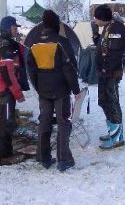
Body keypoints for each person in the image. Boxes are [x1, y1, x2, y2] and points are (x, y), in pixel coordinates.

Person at [27, 10, 81, 171]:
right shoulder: (61, 42)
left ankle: (43, 157)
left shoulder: (34, 43)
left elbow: (31, 69)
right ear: (56, 24)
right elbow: (70, 68)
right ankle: (63, 160)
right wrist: (76, 89)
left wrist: (38, 87)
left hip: (43, 90)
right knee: (63, 122)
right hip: (61, 90)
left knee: (44, 122)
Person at [0, 16, 29, 161]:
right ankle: (3, 154)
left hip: (5, 88)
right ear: (7, 27)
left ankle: (5, 151)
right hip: (6, 89)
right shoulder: (5, 45)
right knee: (6, 120)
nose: (16, 29)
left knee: (7, 120)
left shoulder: (0, 42)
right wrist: (17, 93)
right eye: (14, 26)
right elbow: (7, 73)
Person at [92, 5, 125, 150]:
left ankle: (117, 138)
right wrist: (96, 37)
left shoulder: (116, 29)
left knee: (112, 103)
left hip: (111, 74)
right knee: (104, 102)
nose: (94, 20)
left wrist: (106, 70)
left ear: (101, 17)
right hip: (104, 73)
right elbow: (104, 48)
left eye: (96, 17)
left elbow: (114, 54)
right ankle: (112, 132)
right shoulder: (108, 28)